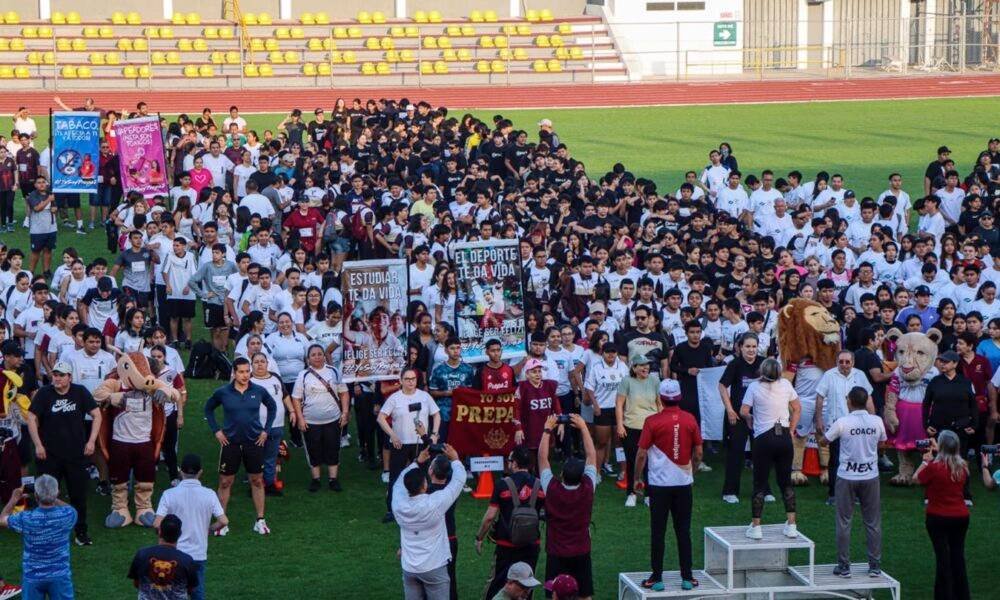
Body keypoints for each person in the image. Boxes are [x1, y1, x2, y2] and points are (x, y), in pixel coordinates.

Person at [634, 380, 703, 592]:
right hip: (683, 484)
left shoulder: (652, 421)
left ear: (661, 398)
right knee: (683, 530)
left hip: (659, 485)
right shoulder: (690, 419)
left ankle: (656, 578)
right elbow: (699, 452)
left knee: (658, 531)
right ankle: (687, 577)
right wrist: (693, 469)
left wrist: (637, 478)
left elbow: (642, 454)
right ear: (680, 397)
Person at [26, 361, 101, 546]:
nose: (57, 378)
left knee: (78, 495)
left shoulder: (80, 392)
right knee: (45, 495)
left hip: (76, 455)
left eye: (61, 375)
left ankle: (81, 532)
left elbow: (97, 414)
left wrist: (91, 441)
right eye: (55, 375)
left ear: (69, 377)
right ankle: (46, 532)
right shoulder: (45, 393)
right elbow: (31, 417)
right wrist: (38, 445)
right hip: (49, 455)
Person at [817, 386, 886, 578]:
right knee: (872, 522)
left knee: (844, 522)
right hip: (870, 476)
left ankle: (844, 566)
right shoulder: (877, 421)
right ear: (866, 401)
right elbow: (882, 442)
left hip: (847, 477)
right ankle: (874, 566)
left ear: (849, 402)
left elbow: (824, 442)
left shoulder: (842, 422)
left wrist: (821, 435)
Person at [203, 357, 276, 535]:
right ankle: (222, 522)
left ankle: (260, 520)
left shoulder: (258, 390)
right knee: (225, 481)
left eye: (247, 371)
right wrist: (216, 431)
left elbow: (272, 407)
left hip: (254, 442)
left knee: (257, 480)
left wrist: (266, 430)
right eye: (241, 372)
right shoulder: (223, 392)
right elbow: (208, 408)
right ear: (234, 373)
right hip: (230, 443)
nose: (245, 375)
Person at [391, 443, 466, 600]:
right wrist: (456, 459)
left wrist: (417, 462)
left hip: (409, 568)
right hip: (434, 567)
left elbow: (398, 482)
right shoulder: (436, 503)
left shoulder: (398, 503)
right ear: (425, 485)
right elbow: (459, 481)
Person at [538, 414, 598, 600]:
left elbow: (542, 458)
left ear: (562, 474)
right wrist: (583, 427)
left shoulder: (552, 489)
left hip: (556, 552)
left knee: (554, 595)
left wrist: (548, 429)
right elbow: (592, 455)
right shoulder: (588, 488)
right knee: (584, 595)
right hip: (581, 551)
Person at [740, 357, 801, 540]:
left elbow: (743, 410)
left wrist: (750, 419)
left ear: (762, 372)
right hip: (783, 437)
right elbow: (797, 408)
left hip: (763, 438)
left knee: (759, 483)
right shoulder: (786, 385)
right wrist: (791, 430)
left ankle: (756, 526)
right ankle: (791, 525)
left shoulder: (754, 387)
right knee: (786, 483)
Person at [154, 454, 229, 600]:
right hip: (198, 554)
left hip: (174, 553)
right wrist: (209, 529)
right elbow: (224, 521)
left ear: (181, 471)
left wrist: (164, 537)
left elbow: (157, 523)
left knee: (172, 592)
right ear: (200, 472)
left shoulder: (169, 494)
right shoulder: (210, 495)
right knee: (197, 592)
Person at [476, 446, 544, 600]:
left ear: (515, 463)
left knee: (498, 582)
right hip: (531, 544)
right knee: (527, 585)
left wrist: (479, 537)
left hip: (506, 544)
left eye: (510, 461)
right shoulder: (539, 485)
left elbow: (489, 517)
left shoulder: (502, 484)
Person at [0, 475, 78, 599]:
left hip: (32, 576)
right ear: (57, 492)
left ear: (36, 496)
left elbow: (2, 519)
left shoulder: (25, 518)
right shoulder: (69, 515)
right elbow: (69, 508)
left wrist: (14, 499)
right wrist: (52, 497)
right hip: (60, 575)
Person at [378, 368, 440, 523]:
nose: (411, 382)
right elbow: (381, 417)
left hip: (421, 442)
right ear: (401, 381)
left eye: (413, 379)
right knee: (396, 477)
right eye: (407, 379)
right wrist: (392, 434)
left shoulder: (424, 396)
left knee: (424, 475)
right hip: (401, 444)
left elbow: (436, 414)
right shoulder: (394, 398)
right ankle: (391, 510)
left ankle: (423, 507)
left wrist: (434, 434)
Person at [915, 431, 971, 600]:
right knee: (957, 556)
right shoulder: (963, 467)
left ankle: (944, 596)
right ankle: (962, 596)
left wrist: (925, 461)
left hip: (938, 517)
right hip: (961, 516)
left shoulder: (934, 467)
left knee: (943, 559)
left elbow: (916, 479)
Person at [814, 350, 874, 503]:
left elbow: (868, 399)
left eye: (847, 362)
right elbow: (820, 397)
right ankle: (833, 494)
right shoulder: (829, 375)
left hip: (858, 426)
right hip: (836, 425)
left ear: (853, 362)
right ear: (837, 362)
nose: (844, 365)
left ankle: (857, 495)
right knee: (835, 460)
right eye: (841, 361)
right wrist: (819, 418)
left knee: (857, 459)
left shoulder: (860, 375)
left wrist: (872, 419)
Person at [291, 344, 350, 492]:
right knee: (313, 449)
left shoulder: (334, 372)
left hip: (333, 419)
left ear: (324, 356)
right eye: (313, 355)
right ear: (308, 358)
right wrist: (300, 419)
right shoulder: (303, 375)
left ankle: (333, 479)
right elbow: (296, 398)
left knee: (333, 448)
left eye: (319, 354)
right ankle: (315, 479)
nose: (317, 357)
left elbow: (344, 393)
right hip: (310, 421)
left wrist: (345, 412)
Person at [924, 350, 978, 503]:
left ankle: (965, 494)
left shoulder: (966, 382)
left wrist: (974, 424)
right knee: (935, 460)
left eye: (946, 361)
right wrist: (926, 424)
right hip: (938, 428)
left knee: (961, 460)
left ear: (955, 364)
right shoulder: (935, 382)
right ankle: (930, 493)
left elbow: (973, 405)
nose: (942, 364)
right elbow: (926, 404)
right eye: (940, 361)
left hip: (961, 428)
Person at [615, 354, 660, 507]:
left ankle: (649, 494)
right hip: (631, 426)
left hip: (652, 427)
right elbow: (619, 404)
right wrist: (620, 425)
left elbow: (659, 404)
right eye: (641, 365)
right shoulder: (626, 381)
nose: (645, 367)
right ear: (634, 368)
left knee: (651, 462)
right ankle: (631, 493)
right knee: (632, 461)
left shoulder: (655, 380)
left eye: (647, 365)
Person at [126, 514, 199, 599]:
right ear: (179, 534)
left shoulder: (142, 554)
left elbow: (137, 583)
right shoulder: (187, 560)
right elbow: (190, 590)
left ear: (160, 531)